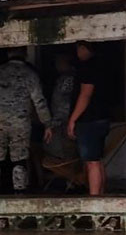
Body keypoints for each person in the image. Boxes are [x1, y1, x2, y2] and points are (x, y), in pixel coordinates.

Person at [0, 47, 53, 193]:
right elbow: (39, 101)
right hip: (21, 123)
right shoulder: (31, 75)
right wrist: (47, 123)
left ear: (8, 53)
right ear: (25, 54)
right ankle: (20, 192)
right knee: (20, 159)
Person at [68, 41, 110, 195]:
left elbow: (85, 94)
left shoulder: (88, 67)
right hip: (102, 118)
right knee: (97, 161)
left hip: (89, 120)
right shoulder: (103, 65)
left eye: (79, 48)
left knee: (91, 162)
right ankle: (101, 195)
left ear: (85, 48)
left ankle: (94, 200)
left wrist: (73, 119)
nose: (77, 52)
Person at [44, 52, 79, 161]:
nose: (57, 65)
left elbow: (65, 103)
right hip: (61, 121)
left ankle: (71, 176)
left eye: (59, 62)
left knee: (66, 153)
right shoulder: (63, 78)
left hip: (65, 122)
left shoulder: (69, 79)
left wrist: (57, 122)